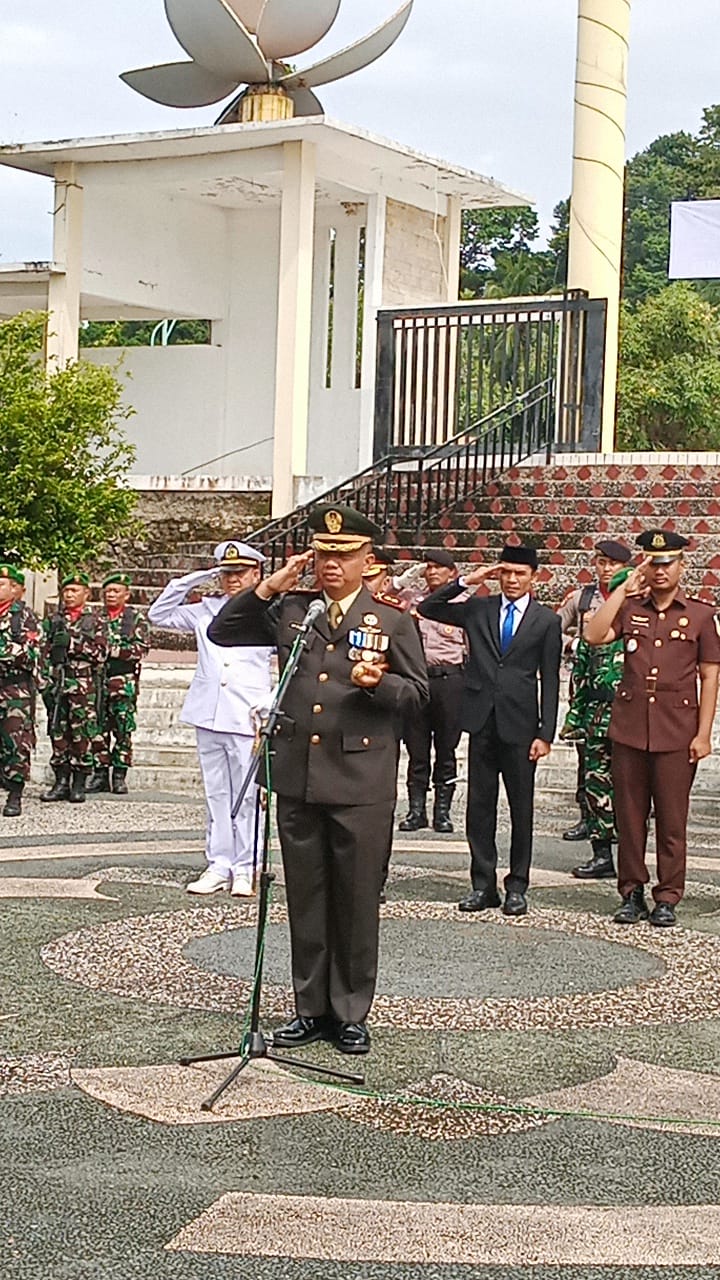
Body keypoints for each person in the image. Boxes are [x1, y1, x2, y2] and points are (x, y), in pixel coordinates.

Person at [207, 504, 428, 1055]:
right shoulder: (293, 612)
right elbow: (222, 630)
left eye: (344, 555)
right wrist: (266, 589)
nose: (332, 564)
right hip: (299, 777)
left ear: (366, 560)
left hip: (359, 779)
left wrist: (379, 684)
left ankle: (350, 1011)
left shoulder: (392, 620)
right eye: (324, 554)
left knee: (354, 900)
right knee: (306, 898)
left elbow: (420, 697)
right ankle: (309, 1009)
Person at [584, 529, 720, 927]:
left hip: (677, 731)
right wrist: (624, 588)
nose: (659, 571)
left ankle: (667, 895)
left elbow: (710, 675)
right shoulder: (631, 607)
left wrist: (704, 732)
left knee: (672, 820)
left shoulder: (699, 614)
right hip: (629, 729)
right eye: (653, 563)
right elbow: (594, 635)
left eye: (667, 563)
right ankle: (631, 892)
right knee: (629, 816)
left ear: (682, 566)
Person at [419, 544, 561, 917]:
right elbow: (428, 608)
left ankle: (517, 884)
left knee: (521, 808)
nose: (512, 581)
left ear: (534, 576)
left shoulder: (546, 620)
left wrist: (546, 733)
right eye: (506, 573)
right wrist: (468, 580)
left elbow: (550, 679)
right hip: (482, 720)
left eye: (520, 574)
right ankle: (483, 884)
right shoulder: (480, 608)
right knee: (479, 807)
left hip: (521, 724)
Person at [148, 540, 274, 897]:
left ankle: (247, 866)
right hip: (209, 712)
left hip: (247, 714)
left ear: (256, 574)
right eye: (226, 573)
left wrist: (270, 701)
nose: (232, 580)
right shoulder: (205, 610)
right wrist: (196, 579)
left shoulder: (268, 611)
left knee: (248, 796)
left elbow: (287, 658)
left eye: (239, 573)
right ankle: (218, 863)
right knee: (217, 793)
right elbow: (158, 614)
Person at [559, 566, 631, 880]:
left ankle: (631, 858)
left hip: (632, 723)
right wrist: (574, 720)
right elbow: (582, 679)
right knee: (596, 787)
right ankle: (601, 855)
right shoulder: (595, 633)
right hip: (598, 720)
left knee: (631, 793)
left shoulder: (645, 629)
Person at [395, 549, 467, 834]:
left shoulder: (464, 604)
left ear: (453, 573)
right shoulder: (414, 600)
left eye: (440, 568)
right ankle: (416, 810)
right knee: (416, 746)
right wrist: (402, 581)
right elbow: (380, 595)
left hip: (449, 679)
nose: (432, 572)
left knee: (447, 748)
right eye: (429, 567)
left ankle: (442, 811)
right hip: (417, 677)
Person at [41, 572, 107, 804]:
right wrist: (44, 682)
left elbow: (101, 653)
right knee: (57, 731)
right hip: (58, 684)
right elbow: (42, 650)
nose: (69, 595)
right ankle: (60, 782)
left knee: (81, 733)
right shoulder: (54, 620)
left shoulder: (96, 621)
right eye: (66, 591)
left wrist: (73, 644)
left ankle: (79, 783)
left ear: (86, 594)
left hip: (83, 685)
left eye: (74, 591)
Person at [87, 573, 150, 795]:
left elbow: (141, 649)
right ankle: (100, 772)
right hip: (97, 681)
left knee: (123, 728)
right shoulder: (95, 618)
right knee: (97, 728)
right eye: (108, 591)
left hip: (123, 682)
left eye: (116, 591)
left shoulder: (135, 619)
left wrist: (113, 651)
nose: (111, 595)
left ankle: (120, 774)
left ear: (126, 594)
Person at [0, 565, 40, 818]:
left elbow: (31, 652)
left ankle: (15, 794)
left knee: (16, 743)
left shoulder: (25, 617)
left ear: (15, 589)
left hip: (15, 689)